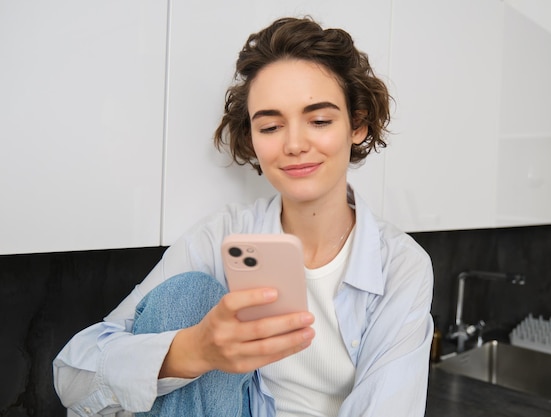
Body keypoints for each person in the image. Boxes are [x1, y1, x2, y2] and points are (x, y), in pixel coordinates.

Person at [53, 16, 434, 417]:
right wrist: (194, 350)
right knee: (188, 296)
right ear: (252, 138)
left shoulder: (399, 264)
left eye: (319, 120)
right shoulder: (222, 237)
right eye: (270, 126)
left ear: (357, 125)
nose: (294, 144)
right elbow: (71, 376)